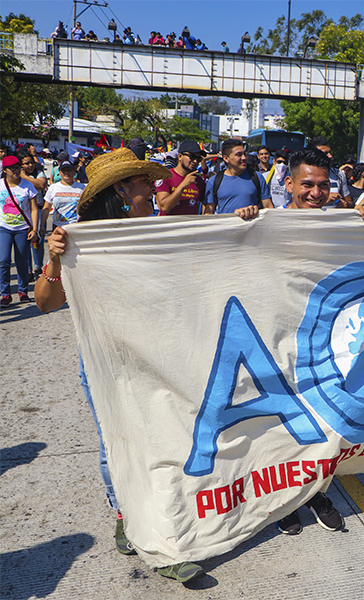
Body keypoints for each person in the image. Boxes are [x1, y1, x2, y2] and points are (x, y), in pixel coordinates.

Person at [35, 149, 259, 584]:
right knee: (117, 443)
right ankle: (128, 515)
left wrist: (245, 223)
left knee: (170, 438)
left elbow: (213, 253)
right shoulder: (80, 240)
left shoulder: (161, 231)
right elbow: (47, 303)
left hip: (163, 356)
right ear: (121, 191)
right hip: (108, 362)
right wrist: (55, 258)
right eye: (143, 182)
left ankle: (168, 524)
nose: (155, 188)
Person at [270, 147, 364, 535]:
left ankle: (315, 492)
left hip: (324, 342)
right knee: (282, 424)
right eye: (307, 184)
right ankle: (283, 502)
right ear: (289, 183)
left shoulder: (340, 223)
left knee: (321, 420)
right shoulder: (269, 223)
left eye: (323, 186)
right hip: (278, 339)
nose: (315, 193)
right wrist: (241, 222)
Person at [0, 156, 39, 307]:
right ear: (5, 170)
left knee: (22, 261)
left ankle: (23, 291)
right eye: (12, 168)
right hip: (4, 228)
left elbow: (34, 209)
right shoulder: (1, 185)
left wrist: (35, 229)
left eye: (18, 167)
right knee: (3, 261)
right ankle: (5, 294)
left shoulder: (28, 186)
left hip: (23, 228)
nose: (16, 171)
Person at [203, 139, 273, 214]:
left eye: (244, 154)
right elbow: (209, 213)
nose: (244, 158)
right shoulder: (214, 181)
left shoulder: (257, 177)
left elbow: (268, 207)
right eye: (239, 155)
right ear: (226, 158)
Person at [155, 140, 207, 216]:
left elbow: (207, 203)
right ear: (179, 156)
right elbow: (165, 208)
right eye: (192, 157)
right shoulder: (165, 177)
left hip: (190, 226)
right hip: (169, 226)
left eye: (198, 159)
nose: (195, 161)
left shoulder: (198, 180)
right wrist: (183, 185)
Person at [18, 153, 48, 280]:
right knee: (24, 241)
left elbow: (41, 184)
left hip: (39, 209)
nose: (30, 165)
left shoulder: (39, 172)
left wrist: (25, 177)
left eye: (31, 162)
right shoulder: (15, 177)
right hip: (23, 212)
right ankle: (28, 270)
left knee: (38, 239)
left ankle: (38, 267)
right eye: (26, 163)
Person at [309, 137, 352, 208]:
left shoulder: (339, 174)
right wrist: (324, 200)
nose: (330, 156)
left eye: (330, 152)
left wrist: (344, 204)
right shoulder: (305, 174)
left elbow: (349, 203)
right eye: (326, 153)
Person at [42, 160, 84, 230]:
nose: (67, 173)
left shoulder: (82, 187)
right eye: (64, 171)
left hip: (76, 226)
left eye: (69, 170)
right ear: (60, 173)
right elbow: (46, 208)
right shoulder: (53, 187)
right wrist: (42, 226)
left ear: (74, 172)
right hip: (58, 226)